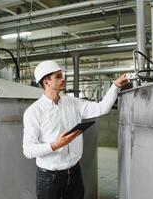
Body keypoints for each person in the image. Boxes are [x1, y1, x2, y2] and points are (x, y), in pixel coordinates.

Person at [23, 60, 128, 199]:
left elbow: (102, 108)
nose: (63, 79)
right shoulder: (34, 111)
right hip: (50, 178)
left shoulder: (72, 103)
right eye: (58, 76)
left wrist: (115, 86)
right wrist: (55, 145)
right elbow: (28, 150)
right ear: (46, 82)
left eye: (62, 75)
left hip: (74, 173)